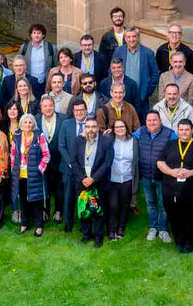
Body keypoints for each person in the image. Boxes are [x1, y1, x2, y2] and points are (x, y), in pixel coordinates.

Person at [157, 119, 193, 253]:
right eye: (181, 130)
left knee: (191, 216)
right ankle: (178, 240)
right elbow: (160, 162)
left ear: (192, 130)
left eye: (187, 130)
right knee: (174, 216)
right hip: (171, 189)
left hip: (191, 190)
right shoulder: (170, 144)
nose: (184, 132)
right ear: (178, 130)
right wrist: (170, 172)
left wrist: (190, 173)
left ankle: (189, 242)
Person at [132, 110, 176, 243]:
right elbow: (126, 138)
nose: (152, 122)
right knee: (150, 203)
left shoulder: (170, 134)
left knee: (163, 204)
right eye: (149, 120)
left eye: (155, 120)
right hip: (146, 175)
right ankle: (153, 227)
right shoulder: (140, 132)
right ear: (145, 122)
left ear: (160, 121)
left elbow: (177, 150)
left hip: (163, 177)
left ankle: (163, 229)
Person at [73, 118, 114, 248]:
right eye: (88, 127)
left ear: (98, 128)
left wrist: (93, 178)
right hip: (82, 182)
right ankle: (86, 234)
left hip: (99, 181)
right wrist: (82, 178)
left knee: (98, 210)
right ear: (84, 128)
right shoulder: (78, 141)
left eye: (93, 127)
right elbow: (73, 161)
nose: (91, 129)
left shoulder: (106, 141)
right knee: (83, 208)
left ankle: (98, 236)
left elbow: (107, 163)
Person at [11, 113, 50, 237]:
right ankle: (24, 223)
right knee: (23, 200)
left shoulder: (39, 136)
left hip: (35, 174)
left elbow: (46, 155)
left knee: (37, 201)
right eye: (25, 122)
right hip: (21, 175)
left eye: (30, 122)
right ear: (21, 124)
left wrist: (40, 169)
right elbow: (13, 155)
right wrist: (14, 170)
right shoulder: (16, 136)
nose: (27, 124)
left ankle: (39, 226)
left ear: (33, 124)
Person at [114, 27, 159, 117]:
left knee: (140, 121)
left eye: (134, 36)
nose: (131, 39)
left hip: (141, 96)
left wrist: (148, 91)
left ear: (138, 37)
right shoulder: (119, 51)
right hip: (122, 96)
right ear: (125, 38)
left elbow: (155, 74)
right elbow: (112, 69)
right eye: (129, 37)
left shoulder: (148, 53)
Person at [58, 98, 87, 233]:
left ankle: (83, 222)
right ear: (73, 111)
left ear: (86, 110)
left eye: (82, 110)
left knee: (82, 197)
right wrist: (71, 163)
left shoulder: (91, 124)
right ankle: (68, 222)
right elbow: (61, 146)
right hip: (68, 168)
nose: (79, 113)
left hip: (85, 169)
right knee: (68, 196)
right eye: (76, 110)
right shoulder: (66, 124)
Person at [108, 119, 139, 241]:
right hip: (112, 179)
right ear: (113, 130)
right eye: (117, 127)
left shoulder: (134, 141)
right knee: (112, 205)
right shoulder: (109, 140)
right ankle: (111, 229)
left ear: (126, 127)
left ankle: (121, 227)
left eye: (122, 126)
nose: (120, 129)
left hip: (127, 179)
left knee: (124, 205)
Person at [36, 95, 66, 223]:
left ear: (54, 106)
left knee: (59, 187)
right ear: (41, 108)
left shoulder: (63, 119)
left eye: (50, 105)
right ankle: (45, 210)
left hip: (59, 159)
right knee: (44, 186)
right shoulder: (36, 120)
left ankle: (58, 211)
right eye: (45, 106)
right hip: (42, 160)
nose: (48, 108)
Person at [19, 24, 56, 95]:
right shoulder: (24, 47)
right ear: (31, 35)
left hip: (44, 82)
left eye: (39, 33)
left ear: (43, 35)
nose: (36, 35)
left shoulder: (51, 48)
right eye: (34, 33)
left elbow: (56, 65)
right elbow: (19, 62)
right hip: (28, 82)